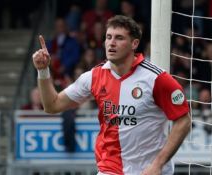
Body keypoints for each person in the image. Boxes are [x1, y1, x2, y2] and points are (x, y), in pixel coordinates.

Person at [32, 15, 191, 175]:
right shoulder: (94, 77)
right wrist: (43, 70)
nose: (112, 43)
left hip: (150, 171)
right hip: (110, 169)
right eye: (108, 37)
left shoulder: (156, 78)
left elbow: (183, 121)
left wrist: (158, 164)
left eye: (119, 38)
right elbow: (52, 105)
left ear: (134, 44)